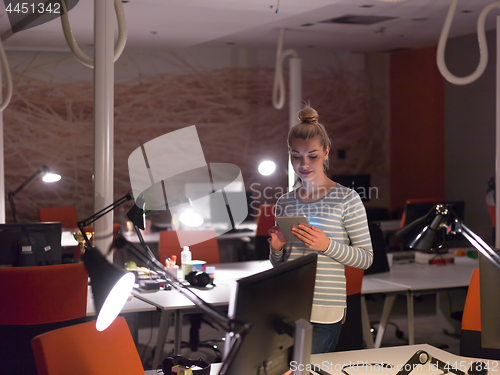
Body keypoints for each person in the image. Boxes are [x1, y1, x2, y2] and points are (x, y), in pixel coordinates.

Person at [268, 106, 373, 354]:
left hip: (325, 313)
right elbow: (281, 267)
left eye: (312, 155)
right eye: (296, 156)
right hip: (288, 308)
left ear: (326, 153)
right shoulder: (285, 202)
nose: (304, 164)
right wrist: (277, 250)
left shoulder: (347, 199)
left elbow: (366, 258)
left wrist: (327, 246)